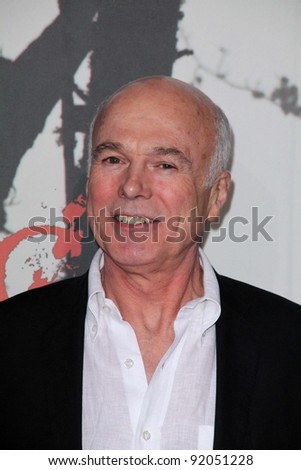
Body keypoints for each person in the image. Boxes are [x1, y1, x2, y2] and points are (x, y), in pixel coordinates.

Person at [1, 76, 301, 450]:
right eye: (113, 159)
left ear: (216, 196)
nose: (132, 186)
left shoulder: (290, 346)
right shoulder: (9, 339)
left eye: (165, 165)